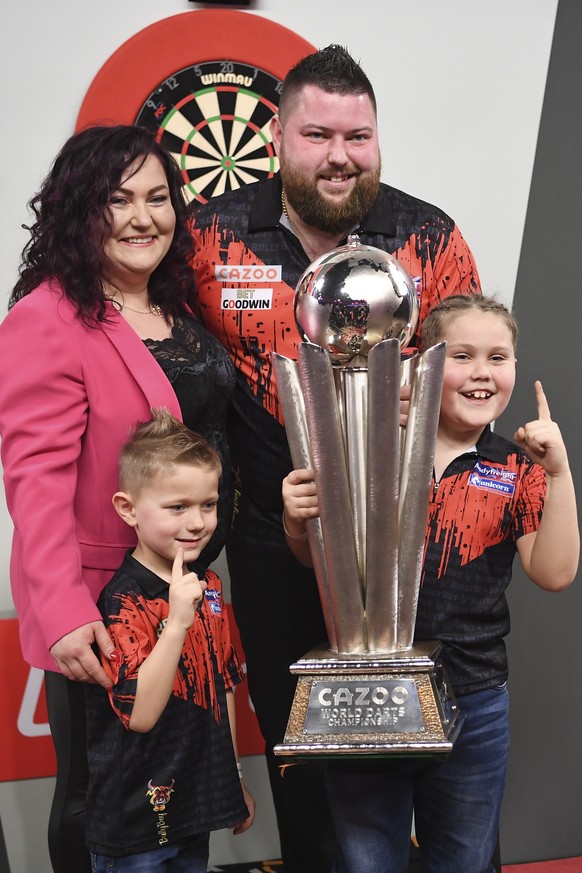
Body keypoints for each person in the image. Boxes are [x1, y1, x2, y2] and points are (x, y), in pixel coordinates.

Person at [190, 44, 481, 872]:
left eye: (359, 135)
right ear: (278, 136)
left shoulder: (427, 237)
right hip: (273, 538)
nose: (340, 156)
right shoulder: (210, 239)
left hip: (412, 545)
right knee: (304, 753)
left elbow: (473, 373)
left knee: (430, 750)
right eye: (318, 134)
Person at [0, 125, 236, 873]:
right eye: (118, 199)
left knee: (170, 792)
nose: (143, 217)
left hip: (184, 592)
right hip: (100, 603)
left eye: (157, 198)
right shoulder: (47, 317)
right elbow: (32, 481)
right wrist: (67, 611)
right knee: (100, 796)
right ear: (80, 212)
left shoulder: (178, 305)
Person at [282, 294, 579, 873]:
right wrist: (297, 518)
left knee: (464, 860)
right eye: (462, 356)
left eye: (499, 357)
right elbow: (317, 558)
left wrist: (559, 473)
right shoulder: (367, 447)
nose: (482, 373)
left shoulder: (516, 466)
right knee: (366, 861)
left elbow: (556, 572)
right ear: (421, 365)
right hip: (368, 694)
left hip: (474, 695)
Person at [84, 410, 254, 872]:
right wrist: (177, 622)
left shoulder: (210, 586)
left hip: (194, 807)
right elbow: (139, 715)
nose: (197, 522)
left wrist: (232, 776)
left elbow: (222, 687)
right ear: (128, 509)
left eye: (208, 504)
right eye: (177, 507)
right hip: (134, 823)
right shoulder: (121, 600)